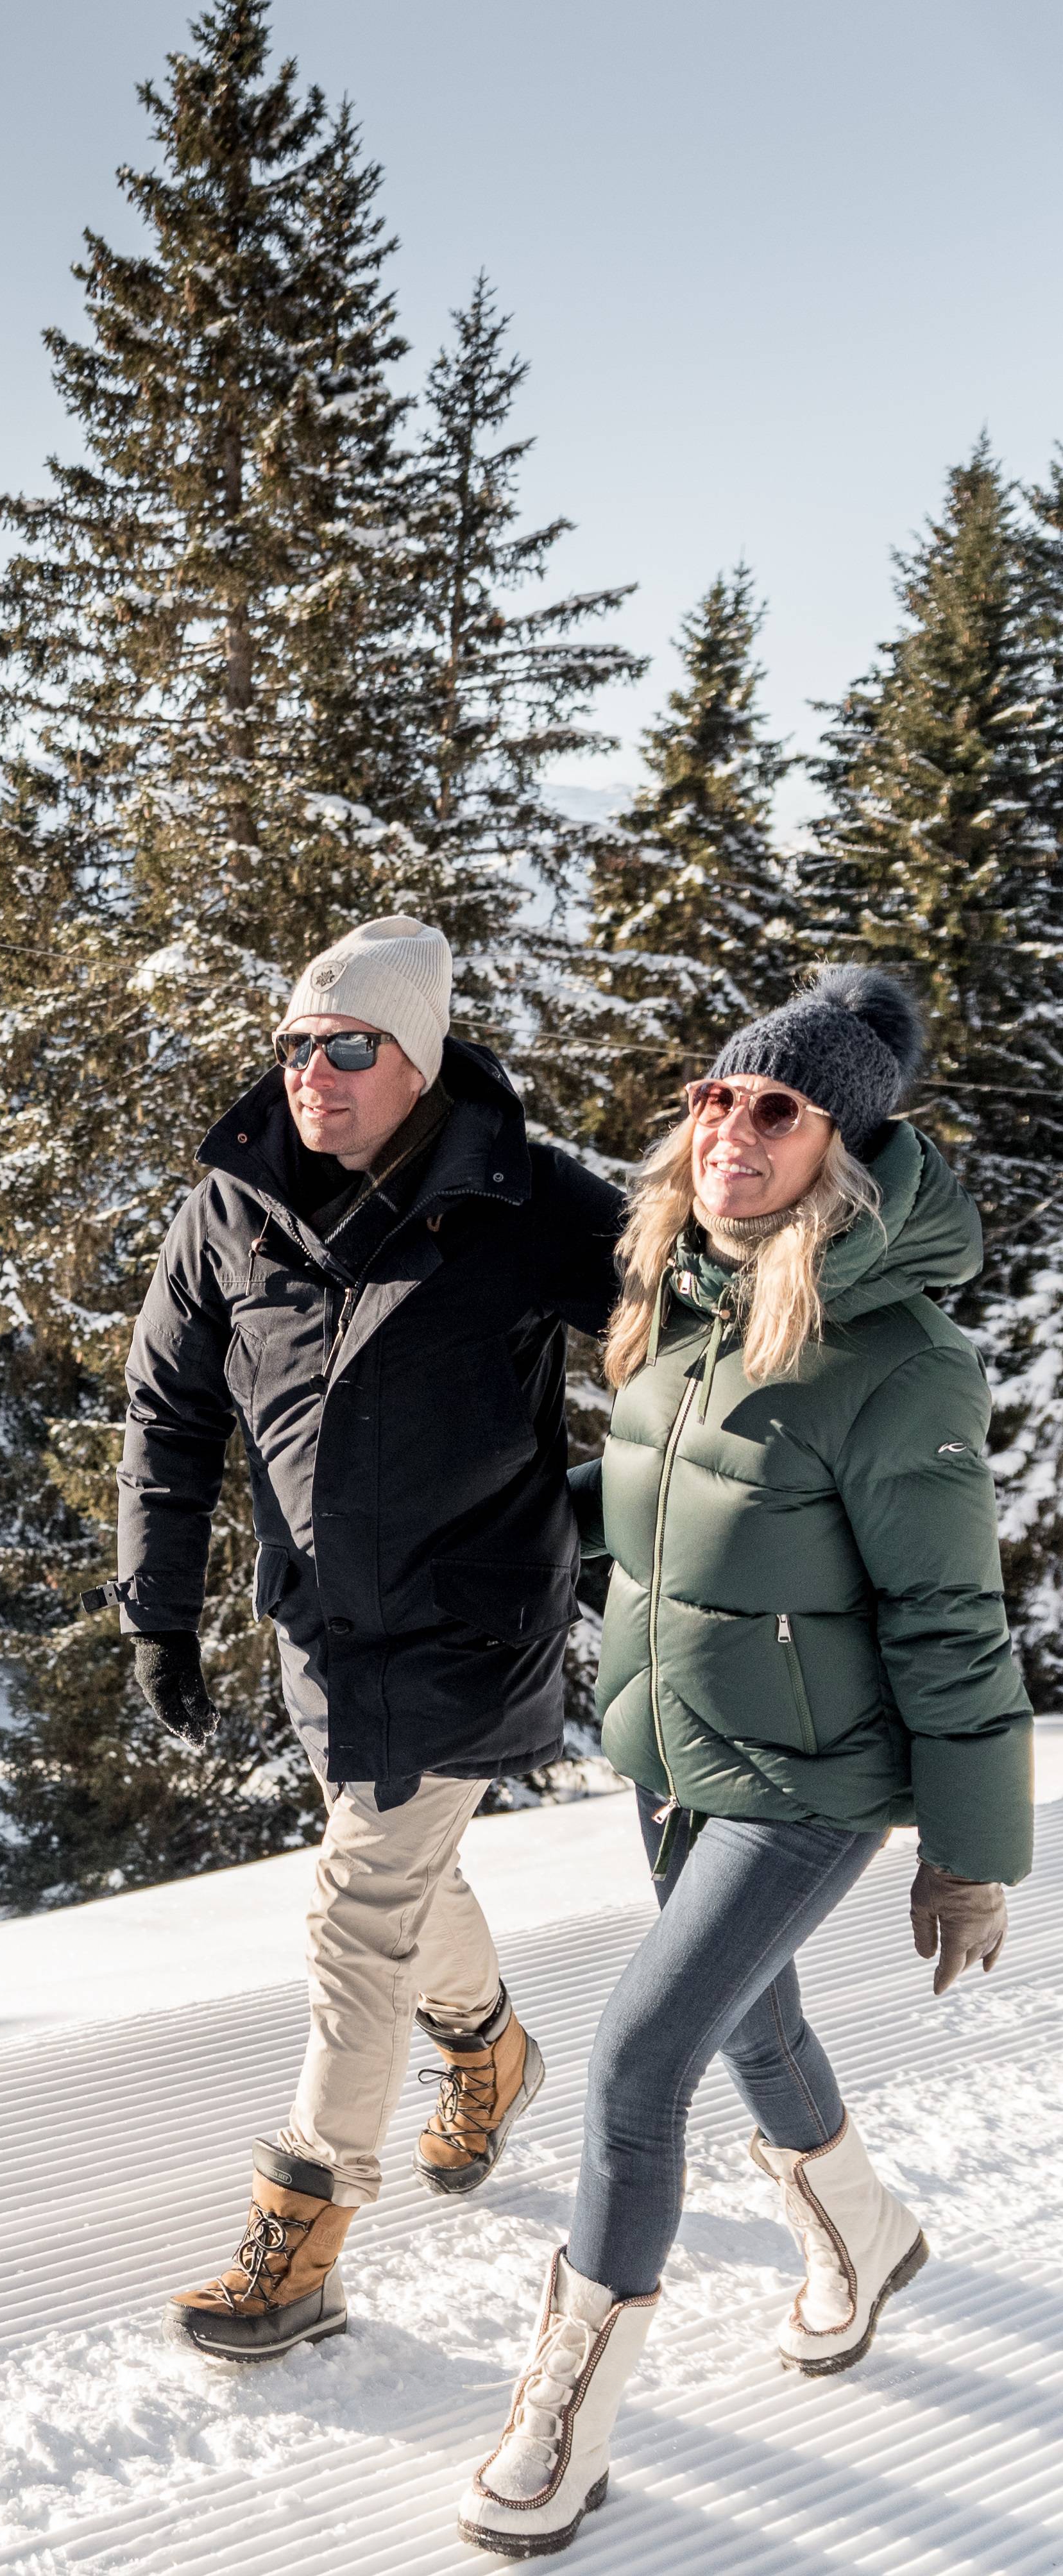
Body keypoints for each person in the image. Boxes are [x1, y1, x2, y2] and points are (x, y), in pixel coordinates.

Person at [457, 966, 1033, 2559]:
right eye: (714, 1096)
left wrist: (972, 1846)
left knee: (639, 2061)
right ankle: (861, 2235)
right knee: (746, 2018)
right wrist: (498, 1539)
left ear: (838, 1147)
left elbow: (948, 1619)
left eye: (774, 1106)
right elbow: (663, 1507)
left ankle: (563, 2412)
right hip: (668, 1740)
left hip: (810, 1774)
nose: (729, 1126)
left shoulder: (895, 1358)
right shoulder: (692, 1297)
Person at [110, 915, 625, 2362]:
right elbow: (169, 1415)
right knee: (399, 1863)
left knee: (356, 1912)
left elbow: (686, 1328)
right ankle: (488, 2047)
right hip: (328, 1633)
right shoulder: (227, 1209)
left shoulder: (520, 1201)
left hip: (469, 1623)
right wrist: (154, 1611)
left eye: (351, 1047)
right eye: (294, 1045)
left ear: (418, 1061)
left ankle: (304, 2232)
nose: (313, 1073)